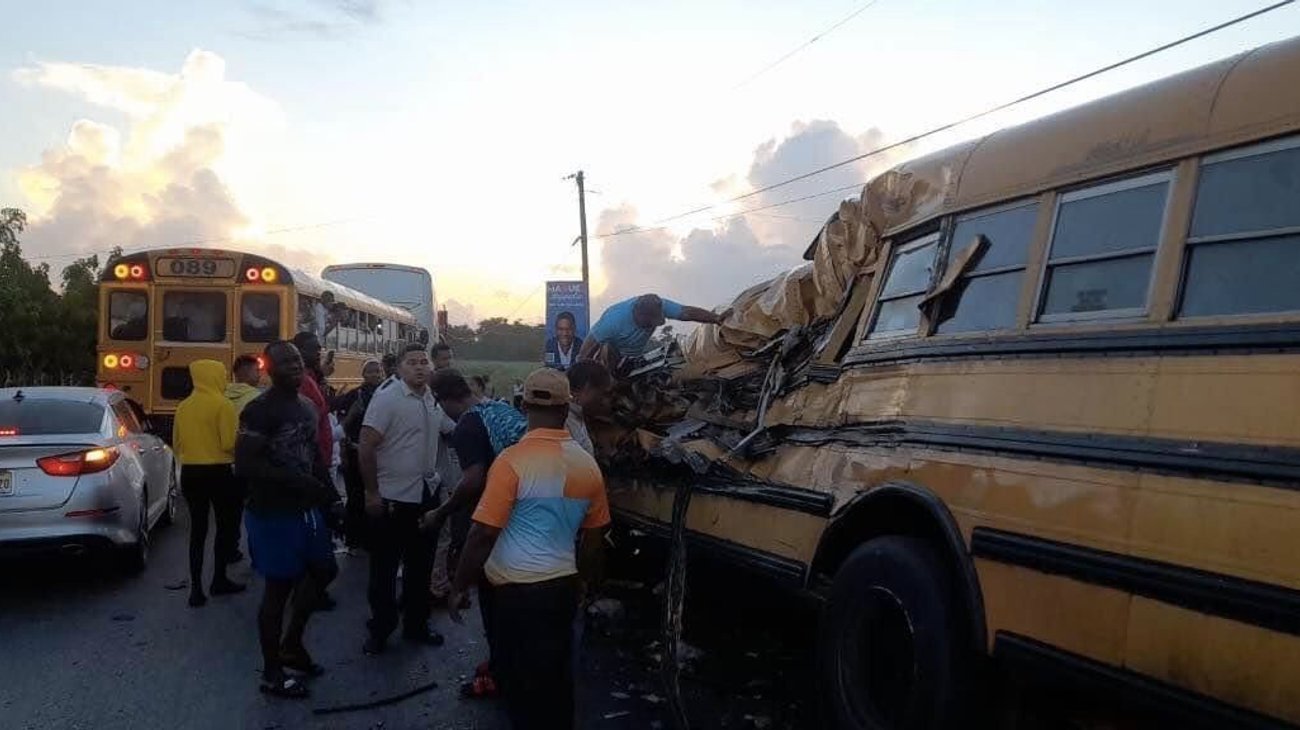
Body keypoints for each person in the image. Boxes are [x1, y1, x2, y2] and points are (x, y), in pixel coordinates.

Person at [445, 368, 610, 730]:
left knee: (520, 682)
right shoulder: (587, 466)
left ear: (524, 407)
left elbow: (482, 534)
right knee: (557, 676)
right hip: (561, 587)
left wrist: (459, 586)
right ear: (567, 409)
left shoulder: (510, 462)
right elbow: (595, 539)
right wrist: (583, 582)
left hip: (514, 592)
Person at [236, 341, 341, 699]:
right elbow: (245, 464)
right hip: (271, 510)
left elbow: (314, 458)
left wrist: (332, 497)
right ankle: (271, 671)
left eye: (297, 360)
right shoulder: (258, 410)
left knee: (325, 570)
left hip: (307, 507)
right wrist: (296, 481)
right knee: (278, 589)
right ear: (269, 367)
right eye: (286, 362)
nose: (295, 366)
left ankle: (292, 643)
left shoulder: (308, 407)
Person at [424, 368, 528, 699]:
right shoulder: (498, 408)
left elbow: (472, 480)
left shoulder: (467, 425)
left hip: (497, 519)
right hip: (526, 513)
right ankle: (509, 663)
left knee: (494, 600)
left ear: (442, 400)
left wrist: (441, 512)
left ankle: (500, 673)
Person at [358, 343, 455, 654]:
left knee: (420, 566)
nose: (419, 367)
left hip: (425, 495)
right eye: (411, 362)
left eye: (423, 362)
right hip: (391, 498)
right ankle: (381, 629)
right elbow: (366, 445)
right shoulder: (388, 398)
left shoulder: (431, 398)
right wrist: (371, 492)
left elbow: (451, 429)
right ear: (399, 368)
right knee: (384, 569)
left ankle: (416, 624)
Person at [173, 359, 244, 607]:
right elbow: (228, 443)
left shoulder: (183, 406)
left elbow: (178, 443)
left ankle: (196, 589)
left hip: (191, 473)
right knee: (224, 528)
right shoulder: (223, 405)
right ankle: (219, 579)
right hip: (219, 472)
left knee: (198, 530)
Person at [579, 293, 725, 363]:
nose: (653, 325)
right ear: (639, 314)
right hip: (611, 356)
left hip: (636, 356)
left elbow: (687, 312)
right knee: (607, 352)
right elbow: (587, 348)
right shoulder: (612, 322)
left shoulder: (658, 305)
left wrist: (716, 319)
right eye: (650, 322)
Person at [339, 359, 384, 550]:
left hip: (378, 452)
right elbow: (342, 422)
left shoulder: (386, 395)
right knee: (356, 495)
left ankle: (372, 536)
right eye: (371, 372)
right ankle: (355, 538)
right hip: (355, 449)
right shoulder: (354, 396)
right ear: (363, 375)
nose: (376, 375)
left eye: (378, 371)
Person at [224, 353, 263, 564]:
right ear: (246, 372)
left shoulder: (221, 395)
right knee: (254, 509)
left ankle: (229, 549)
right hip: (248, 460)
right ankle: (256, 552)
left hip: (222, 461)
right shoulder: (256, 398)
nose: (260, 375)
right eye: (257, 370)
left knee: (230, 511)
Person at [565, 360, 612, 456]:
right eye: (602, 393)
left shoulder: (576, 414)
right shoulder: (564, 421)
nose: (604, 401)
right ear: (587, 387)